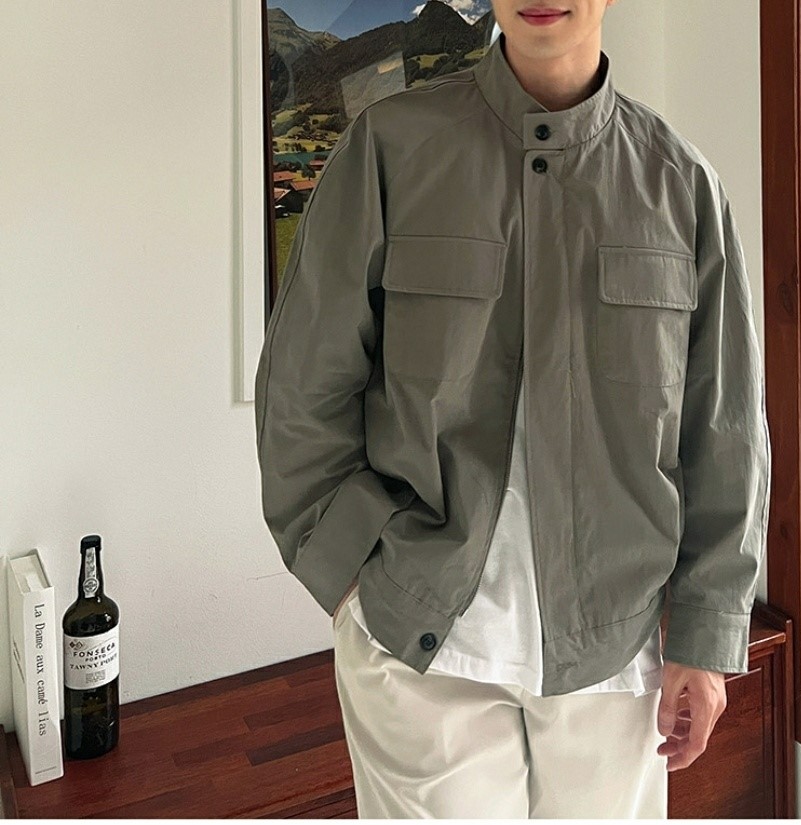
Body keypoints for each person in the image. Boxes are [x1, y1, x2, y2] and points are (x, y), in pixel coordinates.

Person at [254, 0, 772, 818]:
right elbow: (302, 385)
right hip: (420, 648)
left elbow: (726, 430)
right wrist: (352, 576)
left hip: (618, 652)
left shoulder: (682, 184)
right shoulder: (389, 147)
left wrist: (708, 635)